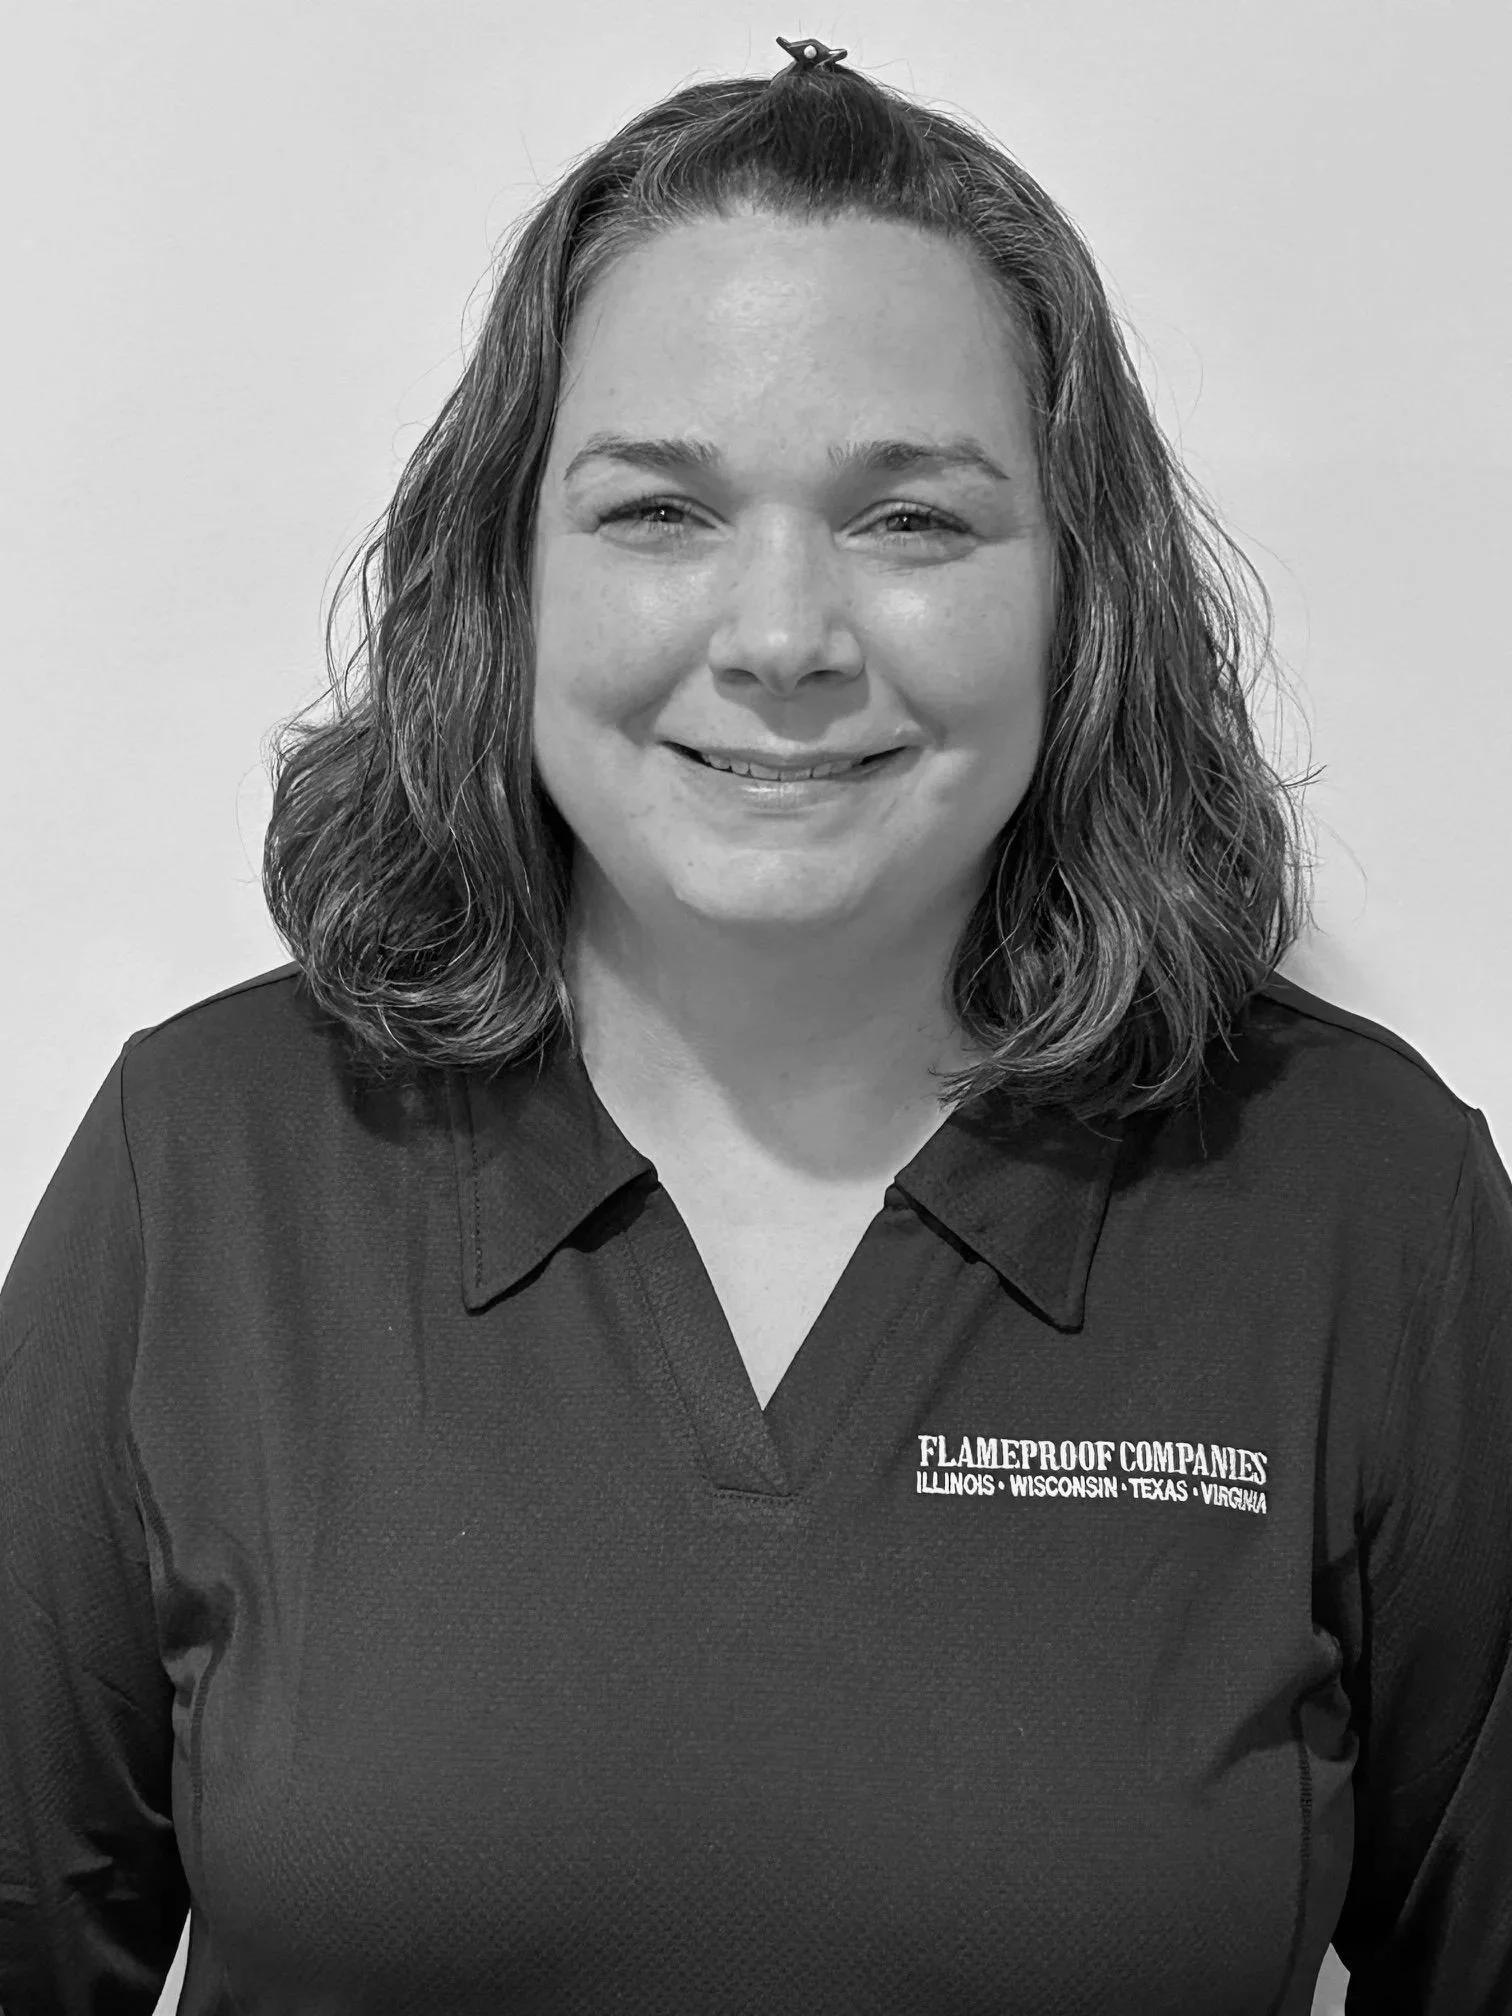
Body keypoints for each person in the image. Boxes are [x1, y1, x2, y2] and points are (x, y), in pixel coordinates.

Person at [2, 32, 1508, 2013]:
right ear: (506, 577)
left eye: (913, 521)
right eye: (658, 513)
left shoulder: (1358, 1200)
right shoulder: (205, 1173)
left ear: (1082, 602)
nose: (783, 637)